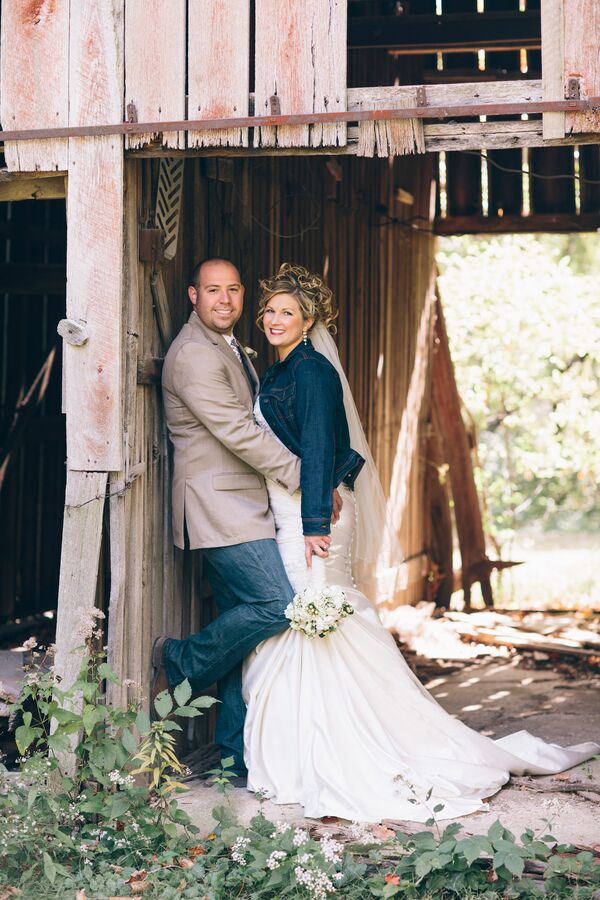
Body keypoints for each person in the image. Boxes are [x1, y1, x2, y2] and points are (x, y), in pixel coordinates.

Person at [242, 262, 600, 822]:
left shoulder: (308, 371)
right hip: (295, 511)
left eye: (288, 312)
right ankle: (309, 744)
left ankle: (342, 747)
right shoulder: (283, 370)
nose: (274, 319)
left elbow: (317, 446)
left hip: (311, 521)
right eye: (270, 310)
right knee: (307, 621)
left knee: (318, 617)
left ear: (309, 322)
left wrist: (316, 520)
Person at [154, 258, 340, 783]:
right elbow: (238, 432)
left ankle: (233, 755)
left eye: (233, 290)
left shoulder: (231, 348)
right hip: (220, 507)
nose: (225, 300)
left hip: (244, 505)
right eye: (213, 290)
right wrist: (309, 477)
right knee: (277, 606)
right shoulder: (193, 355)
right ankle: (182, 662)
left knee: (245, 637)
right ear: (193, 295)